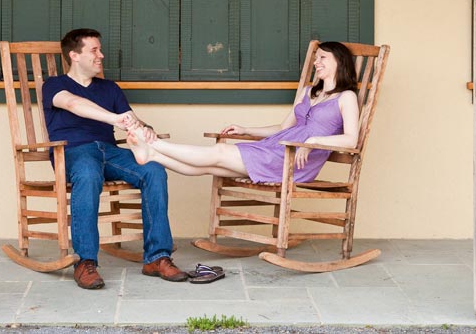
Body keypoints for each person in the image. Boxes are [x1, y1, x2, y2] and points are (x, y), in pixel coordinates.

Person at [43, 28, 188, 290]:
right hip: (74, 152)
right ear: (74, 55)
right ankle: (85, 261)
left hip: (109, 152)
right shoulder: (55, 85)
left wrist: (144, 128)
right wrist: (114, 119)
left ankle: (157, 257)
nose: (101, 55)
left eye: (100, 49)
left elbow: (131, 118)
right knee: (88, 175)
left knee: (153, 170)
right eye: (94, 50)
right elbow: (74, 104)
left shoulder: (109, 88)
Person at [125, 42, 360, 184]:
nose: (316, 62)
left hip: (295, 162)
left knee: (219, 152)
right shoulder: (309, 92)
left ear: (339, 62)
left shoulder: (346, 97)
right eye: (316, 57)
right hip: (276, 148)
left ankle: (153, 145)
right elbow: (282, 128)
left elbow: (352, 139)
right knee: (212, 166)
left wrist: (314, 140)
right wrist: (246, 130)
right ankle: (152, 156)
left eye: (322, 58)